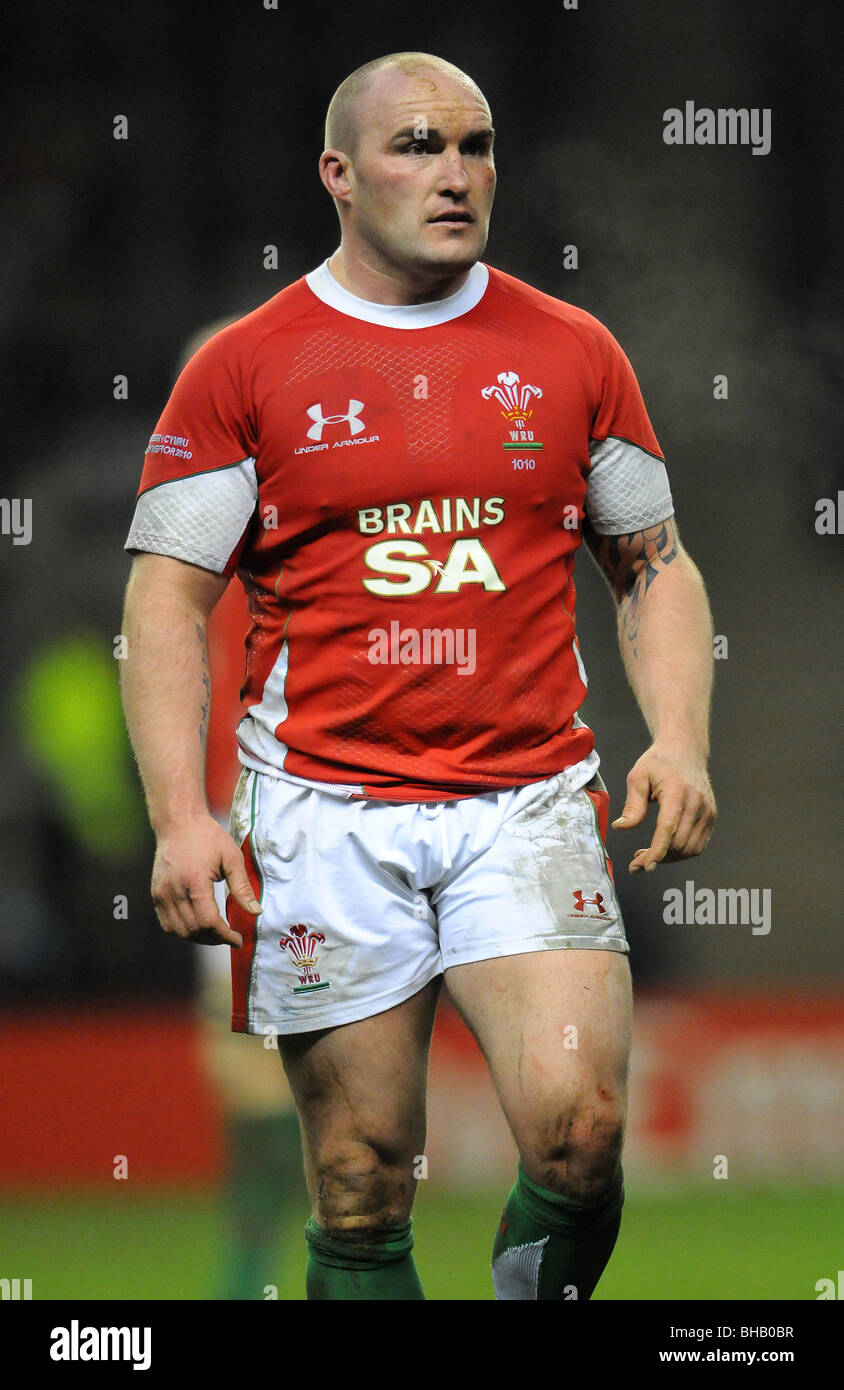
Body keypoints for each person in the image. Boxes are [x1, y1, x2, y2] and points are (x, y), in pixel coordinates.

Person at [119, 51, 716, 1301]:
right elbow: (166, 604)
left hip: (527, 800)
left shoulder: (572, 348)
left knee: (581, 1130)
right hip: (322, 811)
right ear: (337, 175)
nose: (456, 173)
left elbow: (652, 564)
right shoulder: (241, 365)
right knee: (358, 1176)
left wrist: (678, 737)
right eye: (418, 147)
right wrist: (181, 816)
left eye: (476, 145)